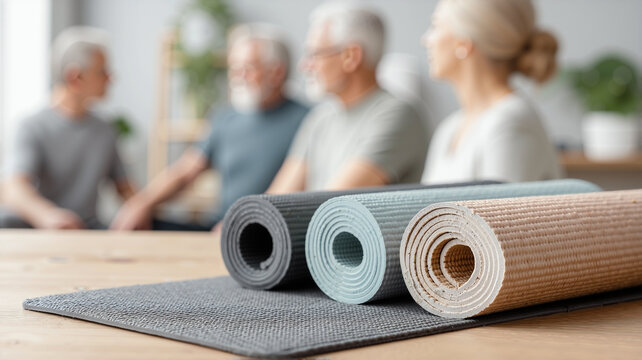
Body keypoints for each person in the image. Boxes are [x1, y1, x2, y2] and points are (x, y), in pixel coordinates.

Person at [110, 23, 308, 231]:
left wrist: (243, 223)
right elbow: (186, 171)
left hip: (273, 231)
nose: (236, 77)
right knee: (143, 226)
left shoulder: (307, 120)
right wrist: (141, 204)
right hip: (218, 226)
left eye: (246, 69)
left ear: (276, 73)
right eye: (234, 68)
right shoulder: (224, 118)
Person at [267, 2, 428, 193]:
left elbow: (332, 206)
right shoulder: (320, 119)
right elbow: (276, 200)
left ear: (351, 56)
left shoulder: (398, 115)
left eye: (314, 54)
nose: (305, 66)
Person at [0, 27, 136, 230]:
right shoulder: (32, 126)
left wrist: (141, 209)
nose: (111, 78)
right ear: (75, 77)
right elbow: (13, 188)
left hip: (86, 228)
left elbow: (125, 189)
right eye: (102, 72)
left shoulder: (105, 130)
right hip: (39, 229)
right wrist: (47, 215)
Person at [421, 0, 561, 184]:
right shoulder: (449, 129)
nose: (426, 40)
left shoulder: (510, 124)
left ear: (463, 43)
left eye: (435, 26)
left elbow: (502, 212)